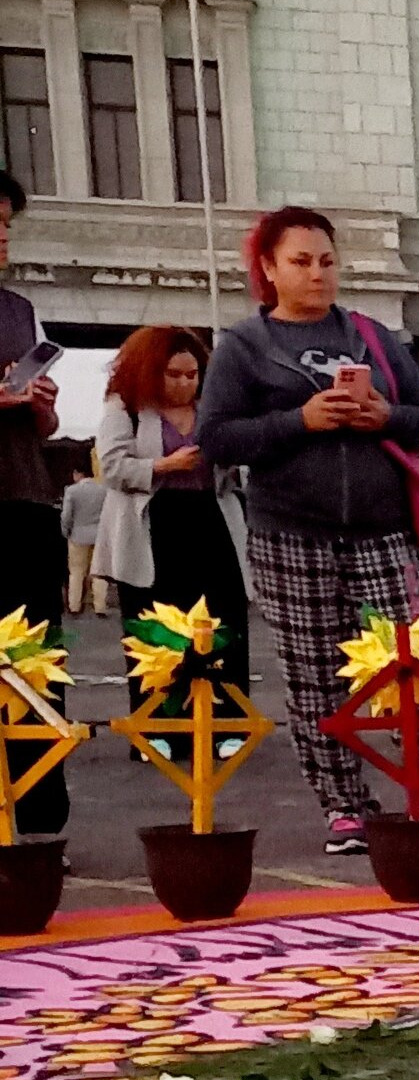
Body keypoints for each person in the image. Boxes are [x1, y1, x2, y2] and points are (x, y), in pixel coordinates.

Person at [197, 204, 419, 853]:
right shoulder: (245, 347)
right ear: (269, 269)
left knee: (408, 666)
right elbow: (217, 438)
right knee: (315, 676)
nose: (318, 274)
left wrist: (382, 415)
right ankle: (344, 806)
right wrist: (299, 420)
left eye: (328, 261)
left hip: (380, 529)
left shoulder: (370, 335)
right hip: (290, 534)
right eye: (301, 262)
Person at [95, 327, 253, 695]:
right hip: (154, 522)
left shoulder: (213, 411)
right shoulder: (126, 407)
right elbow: (114, 467)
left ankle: (228, 719)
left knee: (223, 617)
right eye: (174, 375)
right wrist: (165, 465)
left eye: (192, 374)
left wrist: (230, 460)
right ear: (151, 371)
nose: (185, 383)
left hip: (211, 519)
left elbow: (240, 467)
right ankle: (158, 726)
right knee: (155, 623)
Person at [0, 166, 70, 833]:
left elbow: (42, 427)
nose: (0, 240)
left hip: (24, 497)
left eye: (4, 227)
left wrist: (39, 406)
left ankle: (41, 823)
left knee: (34, 661)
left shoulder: (18, 310)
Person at [59, 458, 102, 618]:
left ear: (78, 473)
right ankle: (100, 606)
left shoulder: (71, 491)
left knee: (76, 571)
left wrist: (66, 531)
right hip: (99, 535)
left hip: (77, 535)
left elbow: (66, 515)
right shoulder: (103, 489)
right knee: (99, 571)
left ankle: (75, 605)